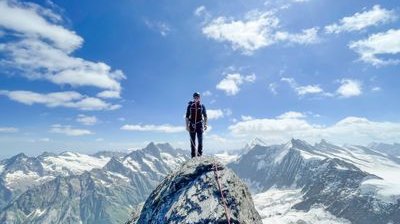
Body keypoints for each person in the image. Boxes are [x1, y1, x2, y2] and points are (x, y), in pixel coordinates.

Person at [185, 92, 207, 158]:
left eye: (197, 97)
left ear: (199, 98)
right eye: (195, 97)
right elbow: (187, 116)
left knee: (200, 141)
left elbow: (205, 116)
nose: (196, 98)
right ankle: (193, 157)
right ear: (193, 98)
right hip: (191, 125)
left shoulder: (202, 106)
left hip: (199, 125)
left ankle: (200, 155)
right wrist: (187, 126)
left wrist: (205, 124)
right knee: (193, 142)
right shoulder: (190, 106)